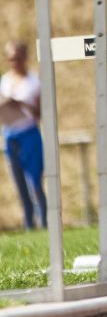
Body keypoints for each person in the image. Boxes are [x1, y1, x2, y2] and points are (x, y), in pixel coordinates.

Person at [1, 40, 46, 230]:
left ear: (25, 58)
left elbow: (40, 113)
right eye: (11, 59)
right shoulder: (4, 81)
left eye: (18, 58)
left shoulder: (34, 82)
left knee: (34, 182)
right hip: (10, 135)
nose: (14, 62)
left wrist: (21, 104)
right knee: (19, 184)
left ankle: (44, 222)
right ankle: (28, 224)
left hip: (29, 134)